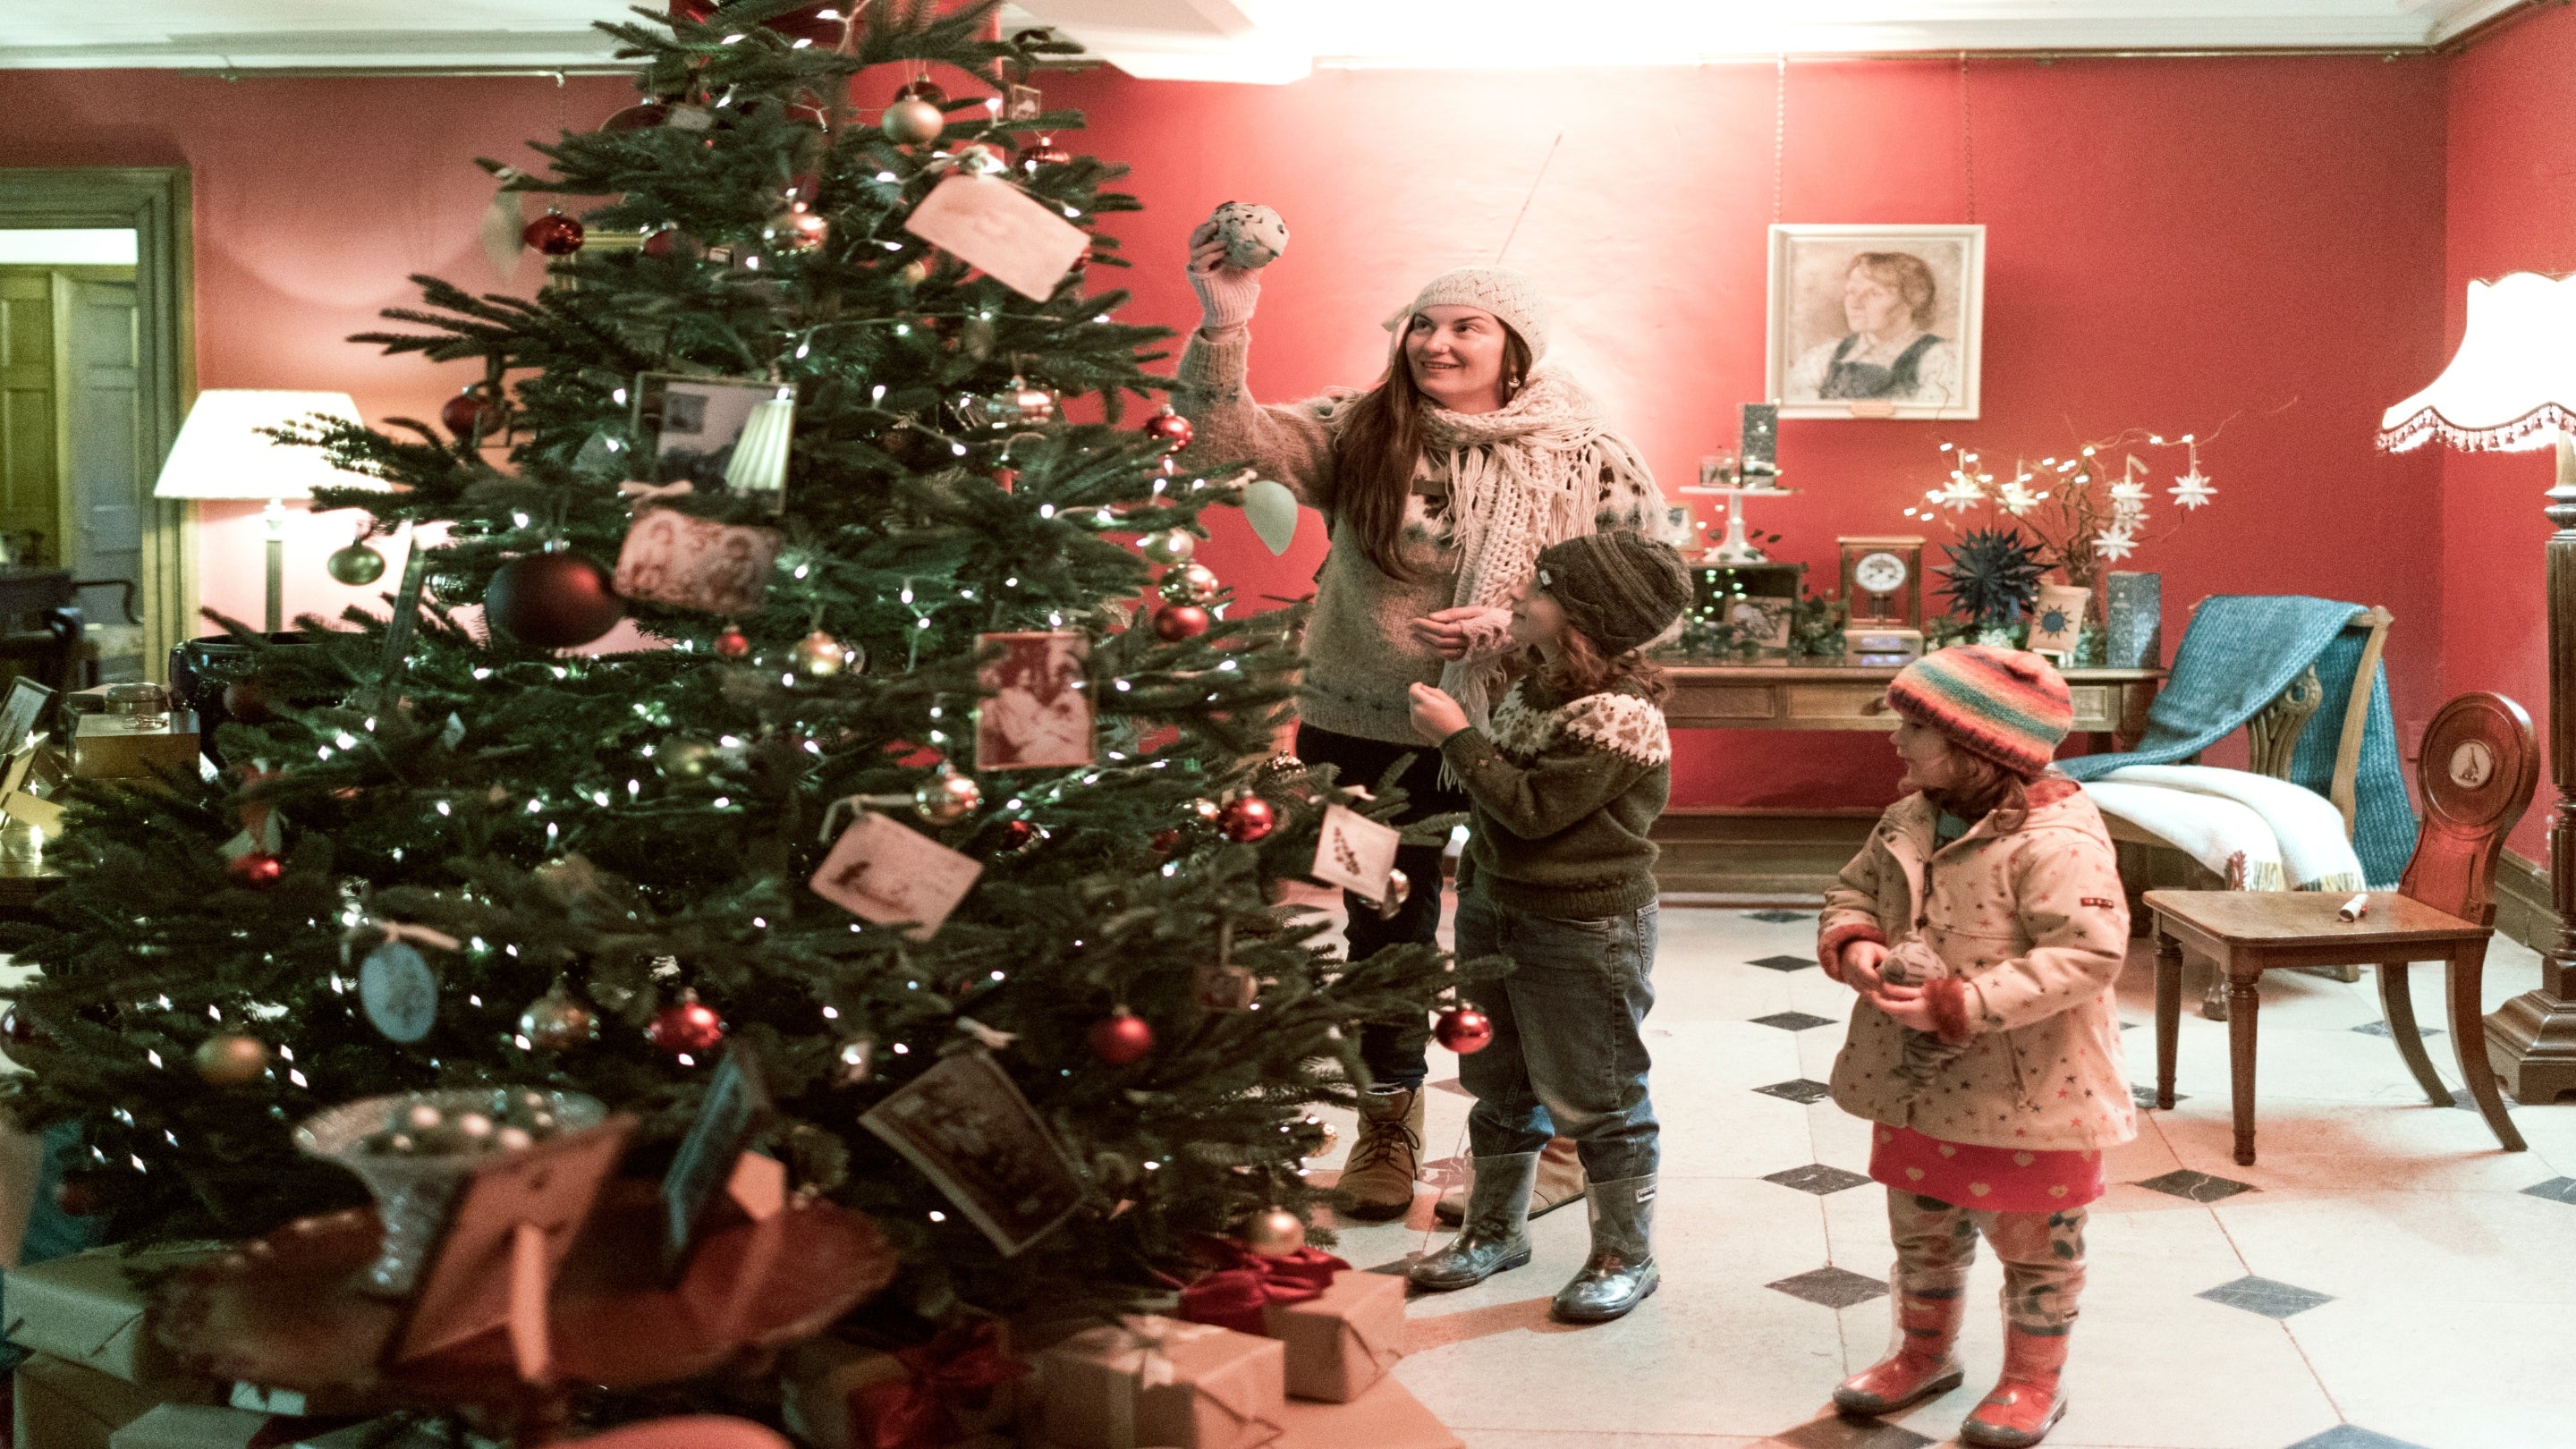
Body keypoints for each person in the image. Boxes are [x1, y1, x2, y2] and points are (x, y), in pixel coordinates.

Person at [1174, 224, 1673, 1223]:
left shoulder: (1588, 451)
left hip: (1529, 727)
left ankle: (1560, 1139)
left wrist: (1521, 619)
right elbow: (1223, 446)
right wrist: (1226, 319)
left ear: (1514, 346)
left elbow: (1652, 587)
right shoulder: (1363, 429)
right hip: (1360, 735)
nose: (1435, 344)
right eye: (1422, 326)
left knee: (1532, 932)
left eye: (1466, 327)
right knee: (1379, 928)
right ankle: (1386, 1125)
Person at [1815, 647, 2134, 1448]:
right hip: (1919, 1086)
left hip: (2031, 1093)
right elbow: (1853, 888)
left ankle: (2033, 1380)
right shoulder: (1914, 813)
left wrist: (1965, 1003)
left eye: (1914, 726)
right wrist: (1855, 945)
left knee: (2039, 1247)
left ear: (1976, 748)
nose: (1896, 739)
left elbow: (2089, 954)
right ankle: (1924, 1354)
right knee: (1923, 1230)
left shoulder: (2058, 841)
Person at [1399, 531, 1690, 1324]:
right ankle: (1496, 1232)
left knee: (1599, 1094)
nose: (1520, 596)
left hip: (1583, 926)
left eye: (1539, 588)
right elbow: (1501, 803)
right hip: (1498, 906)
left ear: (1582, 616)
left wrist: (1456, 734)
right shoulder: (1539, 688)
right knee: (1498, 1082)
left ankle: (1627, 1255)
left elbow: (1531, 813)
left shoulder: (1621, 717)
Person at [1782, 251, 1962, 406]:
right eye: (1852, 292)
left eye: (1873, 294)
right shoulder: (1822, 358)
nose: (1855, 304)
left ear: (1912, 301)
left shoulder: (1941, 359)